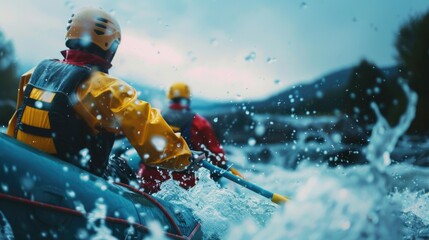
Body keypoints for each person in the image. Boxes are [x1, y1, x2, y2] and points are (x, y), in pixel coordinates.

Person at [6, 8, 197, 183]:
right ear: (109, 46)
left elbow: (17, 125)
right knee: (126, 164)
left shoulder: (34, 74)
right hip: (78, 182)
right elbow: (152, 139)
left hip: (28, 172)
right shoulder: (108, 88)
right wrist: (186, 158)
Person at [138, 82, 243, 193]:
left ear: (170, 98)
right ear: (188, 99)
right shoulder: (199, 122)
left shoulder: (155, 117)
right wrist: (222, 165)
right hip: (183, 185)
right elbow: (217, 157)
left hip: (148, 181)